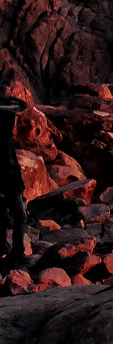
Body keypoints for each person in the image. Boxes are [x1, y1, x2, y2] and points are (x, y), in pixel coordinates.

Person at [1, 98, 29, 267]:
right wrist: (17, 188)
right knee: (20, 217)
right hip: (11, 188)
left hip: (7, 188)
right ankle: (17, 252)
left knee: (4, 218)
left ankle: (4, 249)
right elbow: (9, 168)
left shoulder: (3, 140)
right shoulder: (4, 142)